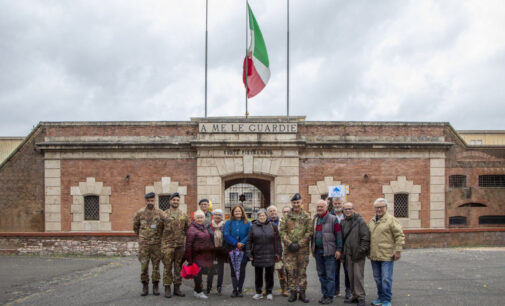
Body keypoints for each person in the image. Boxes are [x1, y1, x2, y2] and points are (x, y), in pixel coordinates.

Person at [368, 198, 405, 306]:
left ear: (386, 208)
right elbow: (368, 237)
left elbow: (399, 236)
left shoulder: (391, 220)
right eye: (377, 207)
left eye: (381, 207)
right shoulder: (372, 221)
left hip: (387, 255)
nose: (379, 209)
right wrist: (367, 251)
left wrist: (398, 251)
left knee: (386, 279)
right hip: (374, 255)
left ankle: (387, 300)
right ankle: (380, 297)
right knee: (377, 278)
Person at [280, 193, 313, 303]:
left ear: (301, 202)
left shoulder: (307, 216)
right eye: (294, 203)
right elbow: (282, 231)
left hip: (302, 250)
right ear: (292, 204)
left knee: (302, 272)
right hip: (289, 251)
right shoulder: (286, 217)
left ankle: (302, 293)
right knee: (291, 271)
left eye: (298, 202)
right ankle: (293, 293)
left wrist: (299, 244)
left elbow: (309, 232)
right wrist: (289, 243)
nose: (296, 204)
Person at [132, 192, 164, 296]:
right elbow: (135, 227)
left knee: (156, 266)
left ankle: (155, 286)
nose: (150, 202)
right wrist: (142, 236)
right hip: (144, 245)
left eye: (152, 200)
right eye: (148, 200)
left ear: (155, 201)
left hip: (156, 244)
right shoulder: (140, 213)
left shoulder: (160, 213)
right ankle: (145, 286)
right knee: (144, 266)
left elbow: (163, 226)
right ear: (146, 201)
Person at [311, 200, 342, 304]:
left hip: (330, 252)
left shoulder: (333, 219)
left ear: (326, 207)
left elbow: (338, 235)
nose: (319, 208)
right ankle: (324, 294)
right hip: (318, 251)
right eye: (318, 206)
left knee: (330, 275)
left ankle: (330, 296)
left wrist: (338, 249)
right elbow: (313, 236)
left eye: (321, 206)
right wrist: (313, 248)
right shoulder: (315, 219)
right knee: (321, 274)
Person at [247, 209, 282, 301]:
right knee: (258, 275)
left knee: (269, 274)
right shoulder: (253, 226)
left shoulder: (272, 225)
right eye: (260, 216)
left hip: (270, 253)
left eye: (263, 215)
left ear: (267, 216)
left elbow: (278, 240)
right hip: (257, 254)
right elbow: (249, 241)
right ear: (257, 217)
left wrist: (278, 252)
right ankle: (258, 292)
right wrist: (249, 253)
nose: (262, 217)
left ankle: (269, 291)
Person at [340, 202, 370, 306]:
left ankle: (361, 297)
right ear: (343, 210)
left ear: (353, 209)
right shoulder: (343, 222)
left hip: (358, 254)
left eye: (349, 209)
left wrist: (361, 251)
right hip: (348, 254)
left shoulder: (360, 221)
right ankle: (354, 295)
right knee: (351, 276)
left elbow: (365, 238)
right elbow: (343, 240)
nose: (347, 211)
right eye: (345, 209)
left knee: (358, 277)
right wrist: (343, 254)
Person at [160, 192, 189, 298]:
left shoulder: (183, 215)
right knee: (167, 267)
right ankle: (167, 287)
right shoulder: (163, 214)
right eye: (174, 200)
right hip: (167, 245)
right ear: (170, 201)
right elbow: (159, 230)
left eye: (177, 200)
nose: (175, 202)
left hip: (180, 246)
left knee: (178, 267)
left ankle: (177, 288)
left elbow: (187, 229)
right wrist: (161, 245)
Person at [185, 210, 214, 300]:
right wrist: (189, 259)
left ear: (204, 218)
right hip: (196, 256)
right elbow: (188, 245)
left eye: (201, 217)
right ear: (194, 218)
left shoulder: (203, 227)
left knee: (199, 273)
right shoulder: (192, 229)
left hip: (203, 255)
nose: (200, 219)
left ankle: (196, 290)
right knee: (197, 274)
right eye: (198, 217)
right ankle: (199, 292)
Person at [224, 205, 251, 297]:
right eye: (236, 211)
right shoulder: (228, 222)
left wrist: (241, 243)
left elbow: (249, 235)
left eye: (239, 211)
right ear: (233, 213)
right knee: (233, 270)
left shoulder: (247, 223)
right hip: (232, 249)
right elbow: (226, 235)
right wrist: (236, 243)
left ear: (242, 212)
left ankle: (240, 289)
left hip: (243, 250)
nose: (238, 213)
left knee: (242, 270)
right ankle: (234, 289)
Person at [331, 196, 351, 299]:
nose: (337, 205)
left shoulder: (348, 215)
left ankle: (348, 290)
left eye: (339, 203)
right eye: (336, 203)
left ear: (343, 204)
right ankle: (336, 290)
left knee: (347, 271)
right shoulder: (330, 216)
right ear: (333, 204)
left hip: (347, 248)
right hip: (334, 247)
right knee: (334, 270)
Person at [266, 205, 288, 296]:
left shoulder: (283, 222)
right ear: (268, 213)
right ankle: (267, 289)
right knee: (268, 272)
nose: (273, 212)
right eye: (270, 211)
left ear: (277, 211)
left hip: (280, 249)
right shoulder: (265, 223)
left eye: (274, 211)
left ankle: (284, 289)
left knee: (281, 270)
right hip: (268, 250)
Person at [206, 209, 227, 295]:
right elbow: (206, 238)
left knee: (220, 270)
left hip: (221, 250)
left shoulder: (225, 226)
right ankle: (208, 287)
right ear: (213, 216)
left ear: (222, 216)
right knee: (210, 269)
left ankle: (219, 287)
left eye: (219, 215)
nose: (217, 216)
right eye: (215, 215)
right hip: (211, 251)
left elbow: (227, 238)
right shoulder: (208, 226)